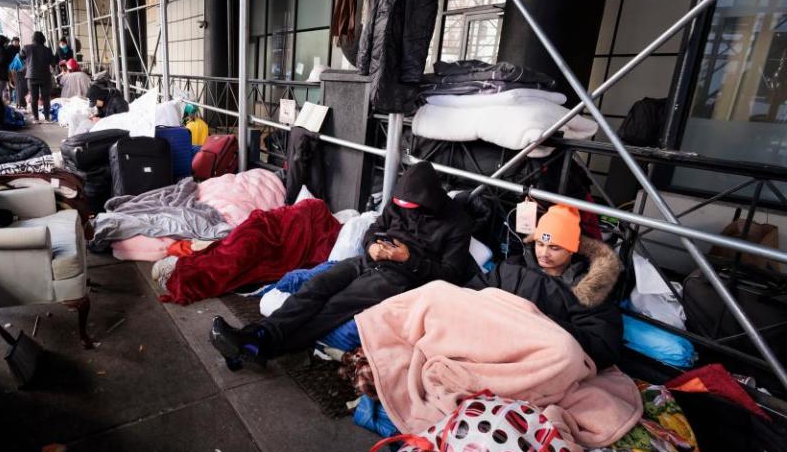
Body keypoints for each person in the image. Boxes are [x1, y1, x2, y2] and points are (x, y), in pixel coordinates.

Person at [209, 162, 474, 370]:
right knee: (316, 286)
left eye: (413, 207)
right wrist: (371, 246)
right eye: (402, 204)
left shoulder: (456, 223)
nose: (406, 210)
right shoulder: (398, 203)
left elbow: (451, 275)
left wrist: (409, 259)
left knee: (336, 305)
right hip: (370, 260)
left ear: (430, 200)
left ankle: (260, 344)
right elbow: (375, 229)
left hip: (401, 276)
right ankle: (257, 335)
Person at [466, 204, 624, 369]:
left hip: (536, 361)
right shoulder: (513, 266)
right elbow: (472, 292)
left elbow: (603, 346)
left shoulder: (588, 289)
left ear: (572, 249)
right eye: (540, 244)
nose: (544, 253)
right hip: (487, 341)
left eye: (554, 248)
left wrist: (542, 322)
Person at [20, 31, 55, 121]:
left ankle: (36, 118)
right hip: (45, 76)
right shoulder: (47, 49)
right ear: (43, 39)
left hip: (32, 76)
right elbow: (52, 61)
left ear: (33, 38)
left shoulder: (27, 48)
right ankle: (47, 118)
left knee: (34, 98)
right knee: (46, 97)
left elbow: (21, 56)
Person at [9, 36, 28, 108]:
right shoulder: (10, 49)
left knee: (19, 89)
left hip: (18, 72)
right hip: (17, 72)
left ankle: (19, 103)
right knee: (19, 88)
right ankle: (20, 103)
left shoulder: (19, 50)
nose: (16, 43)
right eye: (15, 41)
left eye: (17, 41)